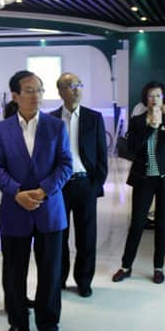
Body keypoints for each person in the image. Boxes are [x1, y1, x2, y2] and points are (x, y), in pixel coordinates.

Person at [0, 70, 72, 331]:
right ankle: (18, 322)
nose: (36, 95)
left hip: (49, 208)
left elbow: (65, 164)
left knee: (50, 271)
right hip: (15, 209)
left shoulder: (56, 126)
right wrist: (16, 193)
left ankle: (49, 324)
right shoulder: (1, 130)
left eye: (39, 90)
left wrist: (44, 190)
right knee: (14, 271)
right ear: (15, 96)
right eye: (29, 90)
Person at [112, 82, 165, 284]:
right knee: (137, 224)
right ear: (146, 98)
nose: (155, 99)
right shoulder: (137, 121)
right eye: (151, 96)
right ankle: (126, 266)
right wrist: (150, 127)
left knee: (162, 224)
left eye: (158, 95)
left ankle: (158, 268)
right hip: (144, 179)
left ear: (164, 98)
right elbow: (132, 147)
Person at [50, 72, 107, 298]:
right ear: (60, 91)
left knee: (87, 237)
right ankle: (59, 279)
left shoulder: (94, 118)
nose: (76, 90)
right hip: (59, 186)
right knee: (59, 236)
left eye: (78, 85)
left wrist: (96, 183)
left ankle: (84, 281)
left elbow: (102, 155)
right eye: (70, 85)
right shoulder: (51, 120)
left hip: (85, 184)